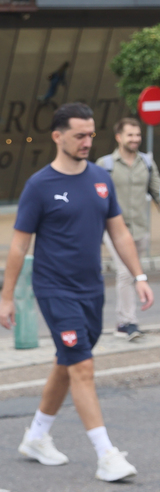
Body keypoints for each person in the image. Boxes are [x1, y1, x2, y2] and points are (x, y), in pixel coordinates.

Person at [0, 102, 153, 482]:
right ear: (58, 136)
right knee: (82, 365)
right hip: (55, 289)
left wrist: (139, 276)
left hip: (91, 290)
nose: (88, 141)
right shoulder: (40, 185)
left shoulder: (101, 178)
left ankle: (36, 436)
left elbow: (118, 231)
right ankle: (106, 455)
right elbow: (19, 246)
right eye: (79, 135)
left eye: (91, 134)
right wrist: (6, 298)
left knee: (69, 361)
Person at [97, 117, 159, 341]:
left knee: (135, 274)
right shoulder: (105, 165)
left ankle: (127, 320)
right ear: (118, 137)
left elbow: (157, 193)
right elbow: (95, 198)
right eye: (130, 135)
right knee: (125, 273)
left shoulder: (147, 163)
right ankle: (126, 322)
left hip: (140, 230)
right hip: (115, 231)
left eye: (138, 135)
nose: (135, 139)